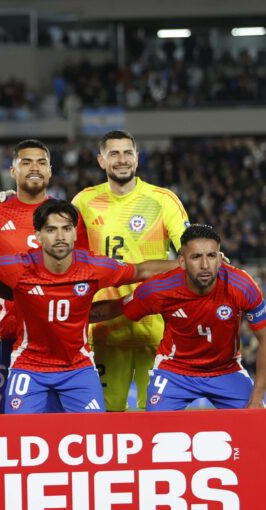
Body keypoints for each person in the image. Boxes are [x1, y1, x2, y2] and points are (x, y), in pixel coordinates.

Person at [0, 200, 175, 414]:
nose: (60, 236)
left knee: (95, 437)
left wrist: (186, 265)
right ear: (38, 236)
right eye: (51, 230)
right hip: (29, 367)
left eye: (66, 229)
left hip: (78, 368)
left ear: (74, 234)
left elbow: (140, 271)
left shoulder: (93, 267)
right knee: (20, 437)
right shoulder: (18, 266)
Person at [73, 129, 190, 412]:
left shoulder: (162, 200)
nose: (122, 159)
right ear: (101, 160)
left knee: (160, 419)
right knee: (104, 419)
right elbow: (71, 263)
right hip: (104, 329)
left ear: (137, 158)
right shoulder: (83, 203)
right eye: (114, 153)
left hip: (158, 330)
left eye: (127, 153)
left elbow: (190, 253)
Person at [104, 224, 266, 410]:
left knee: (258, 425)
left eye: (211, 256)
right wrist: (76, 311)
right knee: (156, 431)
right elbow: (115, 308)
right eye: (196, 257)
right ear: (182, 262)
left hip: (226, 370)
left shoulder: (241, 285)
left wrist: (258, 398)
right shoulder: (159, 289)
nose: (205, 265)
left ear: (220, 259)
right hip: (174, 371)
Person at [0, 139, 86, 412]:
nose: (34, 168)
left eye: (41, 162)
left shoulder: (69, 216)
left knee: (70, 429)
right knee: (13, 430)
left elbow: (83, 272)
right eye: (25, 162)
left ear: (50, 171)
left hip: (64, 340)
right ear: (12, 170)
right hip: (11, 335)